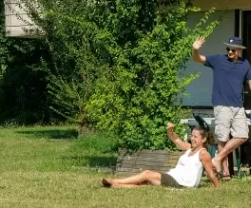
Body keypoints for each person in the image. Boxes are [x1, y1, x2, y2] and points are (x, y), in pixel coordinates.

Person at [192, 36, 251, 179]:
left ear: (239, 50)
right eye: (228, 49)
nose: (230, 51)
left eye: (233, 50)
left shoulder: (245, 64)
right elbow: (198, 59)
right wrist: (195, 50)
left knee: (243, 135)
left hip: (238, 105)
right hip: (221, 104)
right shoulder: (218, 60)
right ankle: (225, 173)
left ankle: (218, 158)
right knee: (223, 138)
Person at [101, 123, 219, 188]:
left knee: (147, 174)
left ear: (203, 139)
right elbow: (176, 139)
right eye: (192, 136)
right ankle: (116, 185)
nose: (192, 139)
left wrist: (218, 187)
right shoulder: (189, 148)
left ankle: (115, 180)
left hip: (183, 183)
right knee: (145, 182)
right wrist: (170, 131)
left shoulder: (203, 154)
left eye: (195, 137)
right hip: (174, 177)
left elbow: (211, 174)